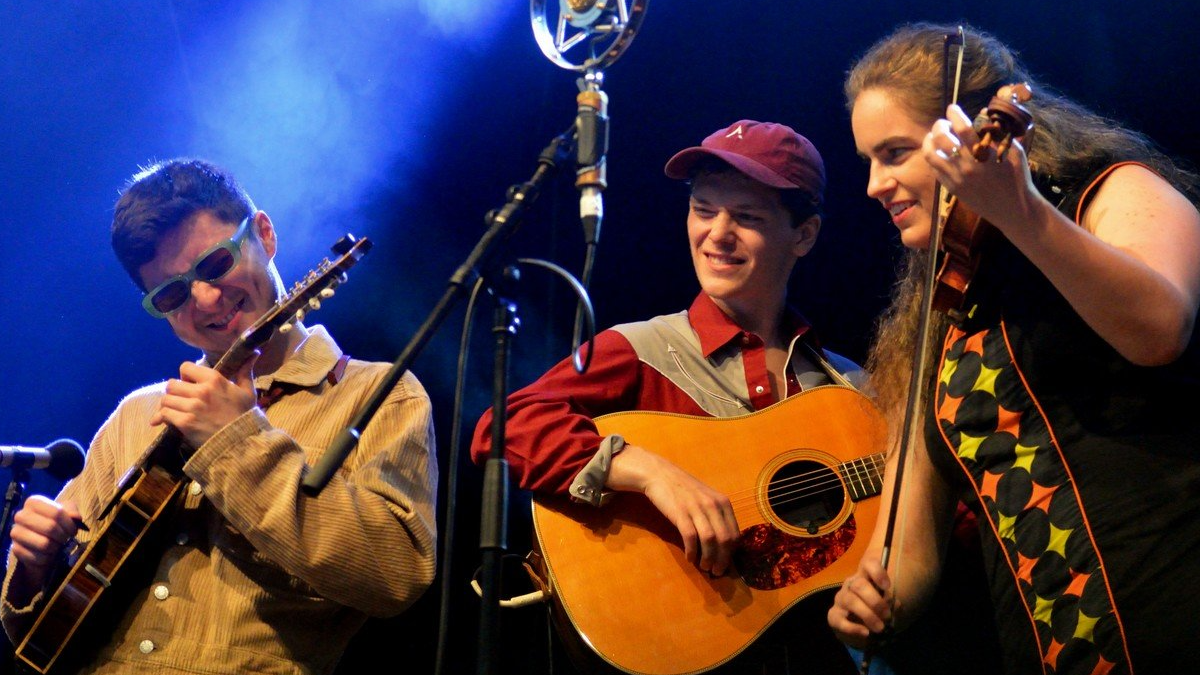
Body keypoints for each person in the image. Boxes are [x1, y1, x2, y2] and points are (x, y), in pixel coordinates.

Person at [828, 22, 1200, 675]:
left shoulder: (1110, 191)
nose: (872, 185)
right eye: (867, 161)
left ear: (964, 133)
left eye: (892, 153)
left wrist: (1020, 210)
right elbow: (908, 551)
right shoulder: (936, 314)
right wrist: (872, 598)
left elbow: (1160, 329)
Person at [1, 159, 439, 674]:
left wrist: (237, 441)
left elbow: (397, 572)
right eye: (172, 294)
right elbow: (45, 632)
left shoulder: (380, 394)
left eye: (214, 265)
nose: (206, 299)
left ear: (263, 235)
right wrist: (37, 566)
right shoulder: (138, 414)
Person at [471, 120, 865, 673]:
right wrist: (652, 473)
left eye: (746, 217)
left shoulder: (854, 391)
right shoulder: (641, 348)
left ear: (804, 235)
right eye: (703, 210)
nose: (717, 234)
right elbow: (503, 427)